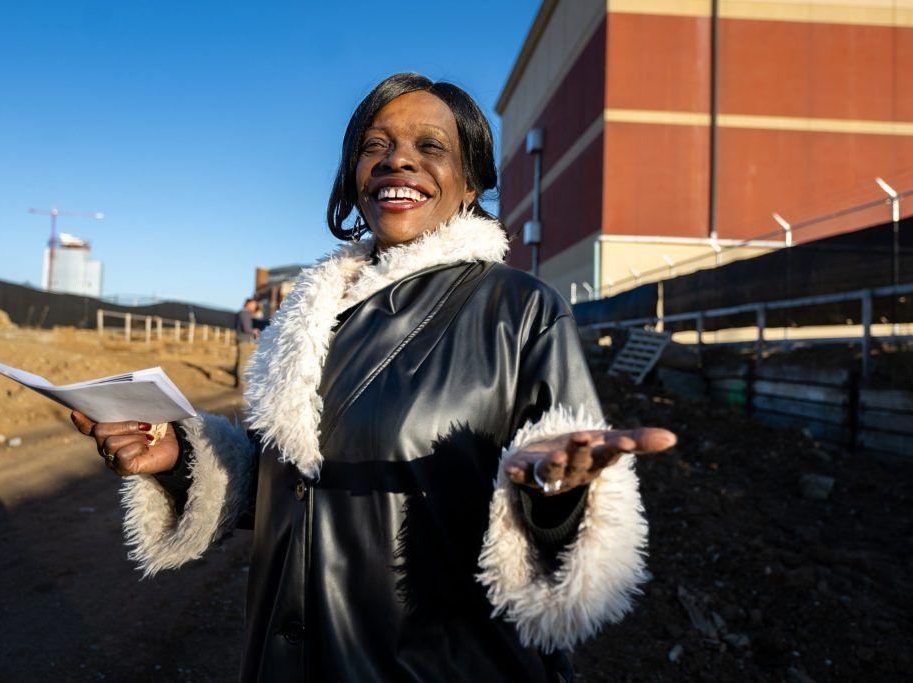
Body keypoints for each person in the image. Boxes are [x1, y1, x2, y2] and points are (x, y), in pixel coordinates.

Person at [71, 73, 675, 682]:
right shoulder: (309, 313)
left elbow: (576, 527)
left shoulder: (520, 312)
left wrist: (555, 499)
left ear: (471, 183)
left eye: (430, 146)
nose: (398, 161)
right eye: (374, 145)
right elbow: (299, 486)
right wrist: (180, 458)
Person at [234, 298, 260, 388]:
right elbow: (246, 328)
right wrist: (254, 331)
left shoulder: (242, 313)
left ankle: (238, 382)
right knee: (243, 362)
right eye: (253, 305)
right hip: (244, 340)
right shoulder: (245, 314)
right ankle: (241, 383)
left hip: (241, 338)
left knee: (240, 361)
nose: (254, 307)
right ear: (248, 304)